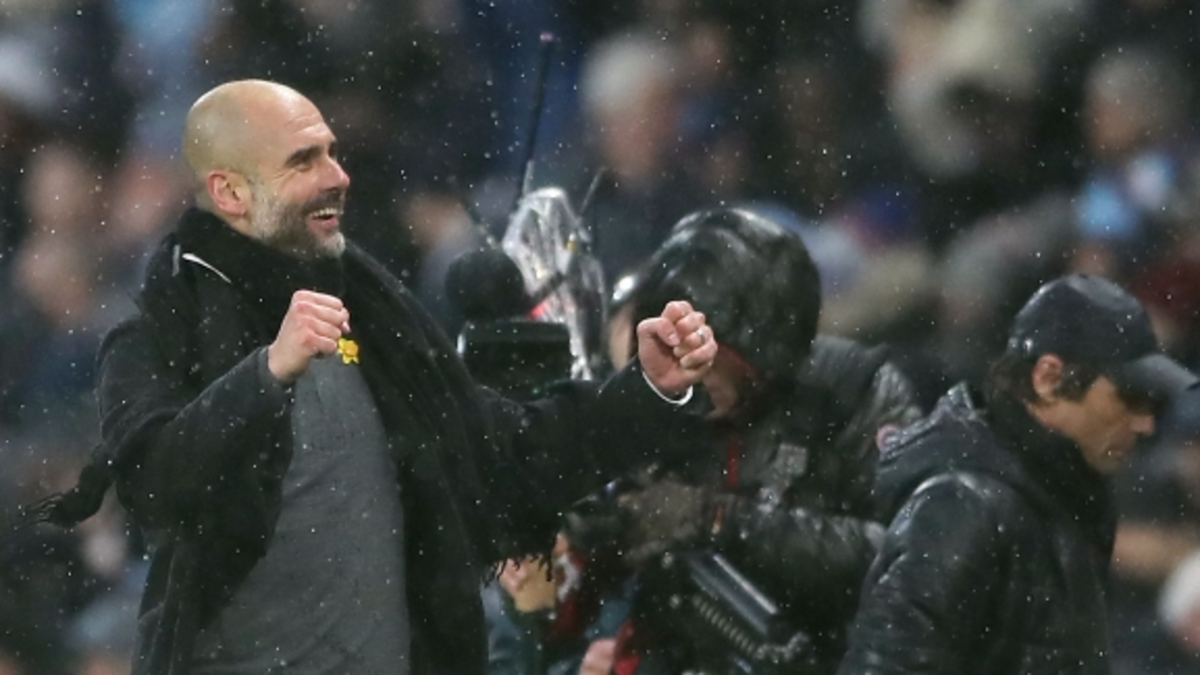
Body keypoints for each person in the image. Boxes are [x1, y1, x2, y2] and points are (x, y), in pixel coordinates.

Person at [20, 79, 719, 675]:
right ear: (229, 192)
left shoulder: (375, 319)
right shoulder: (156, 332)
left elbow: (505, 454)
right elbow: (155, 483)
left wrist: (646, 388)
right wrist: (265, 374)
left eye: (332, 151)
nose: (337, 175)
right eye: (304, 160)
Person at [487, 207, 923, 674]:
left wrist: (717, 520)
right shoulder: (634, 411)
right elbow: (557, 604)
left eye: (708, 355)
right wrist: (552, 572)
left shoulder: (851, 394)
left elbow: (914, 555)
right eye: (674, 345)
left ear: (768, 361)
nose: (688, 369)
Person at [837, 273, 1199, 674]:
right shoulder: (963, 504)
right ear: (1048, 378)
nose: (1146, 423)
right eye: (1130, 397)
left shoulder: (1061, 492)